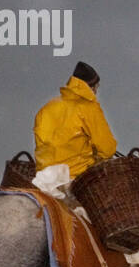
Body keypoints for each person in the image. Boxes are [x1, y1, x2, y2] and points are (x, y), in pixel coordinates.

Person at [32, 62, 117, 197]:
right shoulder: (88, 107)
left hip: (44, 179)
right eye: (97, 87)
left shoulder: (48, 107)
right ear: (92, 87)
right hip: (76, 177)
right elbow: (107, 149)